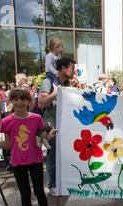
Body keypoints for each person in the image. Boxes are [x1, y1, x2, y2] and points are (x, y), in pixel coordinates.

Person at [37, 57, 75, 195]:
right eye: (71, 68)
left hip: (64, 126)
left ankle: (61, 182)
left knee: (62, 156)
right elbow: (41, 102)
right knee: (53, 156)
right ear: (63, 68)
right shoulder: (49, 82)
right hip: (51, 126)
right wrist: (56, 92)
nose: (74, 71)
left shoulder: (65, 83)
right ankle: (52, 185)